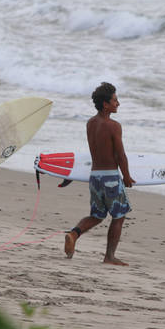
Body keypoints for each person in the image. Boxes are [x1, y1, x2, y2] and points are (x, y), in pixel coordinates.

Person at [64, 81, 135, 266]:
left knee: (97, 215)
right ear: (105, 104)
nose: (117, 103)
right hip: (111, 177)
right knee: (119, 216)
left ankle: (74, 233)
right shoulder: (113, 126)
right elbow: (120, 154)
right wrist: (126, 176)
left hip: (95, 176)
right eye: (115, 100)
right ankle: (109, 256)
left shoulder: (90, 123)